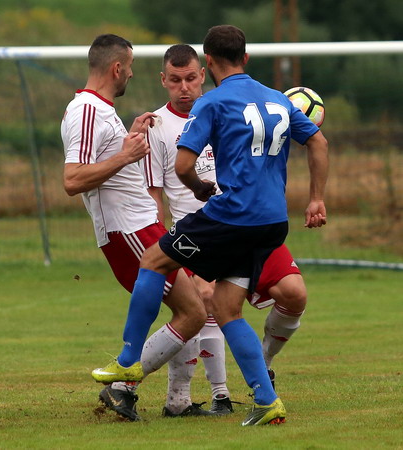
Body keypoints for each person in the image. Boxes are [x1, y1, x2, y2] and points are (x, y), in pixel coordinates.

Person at [92, 25, 329, 427]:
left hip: (232, 215)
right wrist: (317, 198)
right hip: (273, 222)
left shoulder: (212, 103)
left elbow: (184, 166)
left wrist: (199, 187)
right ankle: (266, 400)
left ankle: (129, 362)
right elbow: (319, 142)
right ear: (245, 58)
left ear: (209, 63)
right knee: (225, 308)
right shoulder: (278, 98)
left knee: (153, 261)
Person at [145, 44, 308, 415]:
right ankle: (211, 395)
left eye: (190, 78)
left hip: (245, 220)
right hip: (204, 230)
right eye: (175, 80)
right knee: (207, 301)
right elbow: (156, 191)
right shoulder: (157, 126)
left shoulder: (230, 105)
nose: (184, 87)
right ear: (163, 80)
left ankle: (263, 369)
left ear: (204, 72)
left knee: (294, 293)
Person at [61, 34, 214, 421]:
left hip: (140, 225)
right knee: (193, 312)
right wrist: (127, 155)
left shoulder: (100, 109)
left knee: (195, 310)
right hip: (127, 229)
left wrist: (127, 141)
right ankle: (122, 386)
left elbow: (103, 162)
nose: (131, 73)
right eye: (129, 67)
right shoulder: (86, 110)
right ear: (117, 68)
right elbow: (73, 179)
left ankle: (171, 401)